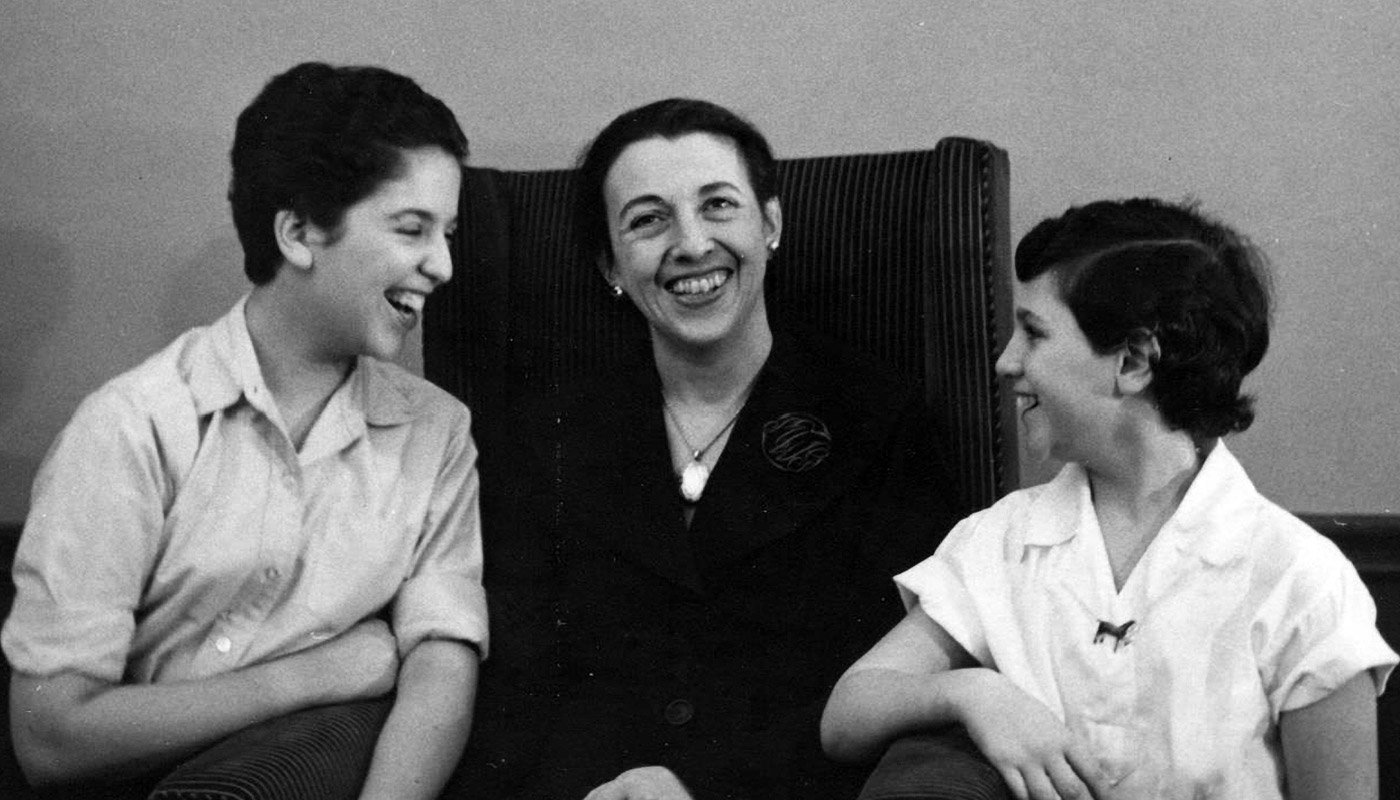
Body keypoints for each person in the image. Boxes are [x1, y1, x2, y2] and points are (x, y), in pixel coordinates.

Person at [448, 98, 960, 799]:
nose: (691, 244)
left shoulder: (881, 422)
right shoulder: (544, 438)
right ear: (611, 263)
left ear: (770, 224)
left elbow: (893, 677)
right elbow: (516, 687)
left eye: (718, 206)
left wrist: (701, 785)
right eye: (648, 219)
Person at [2, 62, 486, 799]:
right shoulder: (132, 427)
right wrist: (311, 675)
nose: (443, 265)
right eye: (412, 228)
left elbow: (439, 667)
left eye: (447, 232)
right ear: (297, 232)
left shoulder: (436, 433)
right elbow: (51, 739)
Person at [820, 198, 1398, 799]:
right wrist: (973, 693)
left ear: (1133, 360)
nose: (1006, 361)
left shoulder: (1299, 579)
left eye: (1035, 333)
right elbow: (848, 712)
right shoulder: (1000, 541)